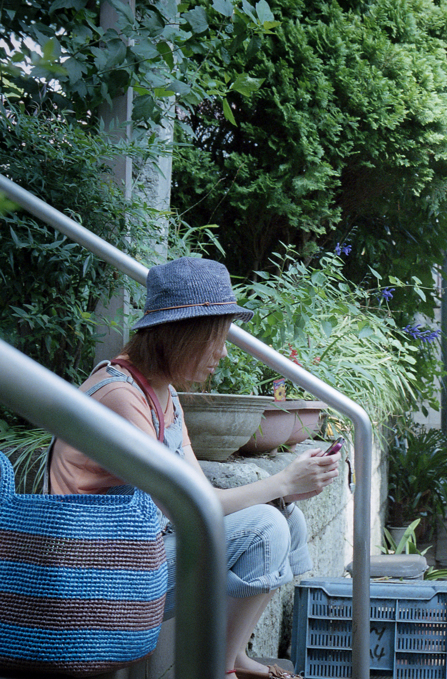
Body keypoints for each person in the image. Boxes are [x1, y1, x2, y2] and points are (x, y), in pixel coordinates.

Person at [48, 257, 340, 679]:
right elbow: (188, 505)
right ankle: (217, 671)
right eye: (214, 338)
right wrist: (279, 481)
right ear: (179, 335)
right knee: (264, 526)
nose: (222, 352)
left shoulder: (162, 395)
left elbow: (200, 495)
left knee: (285, 519)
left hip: (132, 557)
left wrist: (284, 492)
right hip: (94, 578)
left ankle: (231, 657)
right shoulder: (119, 396)